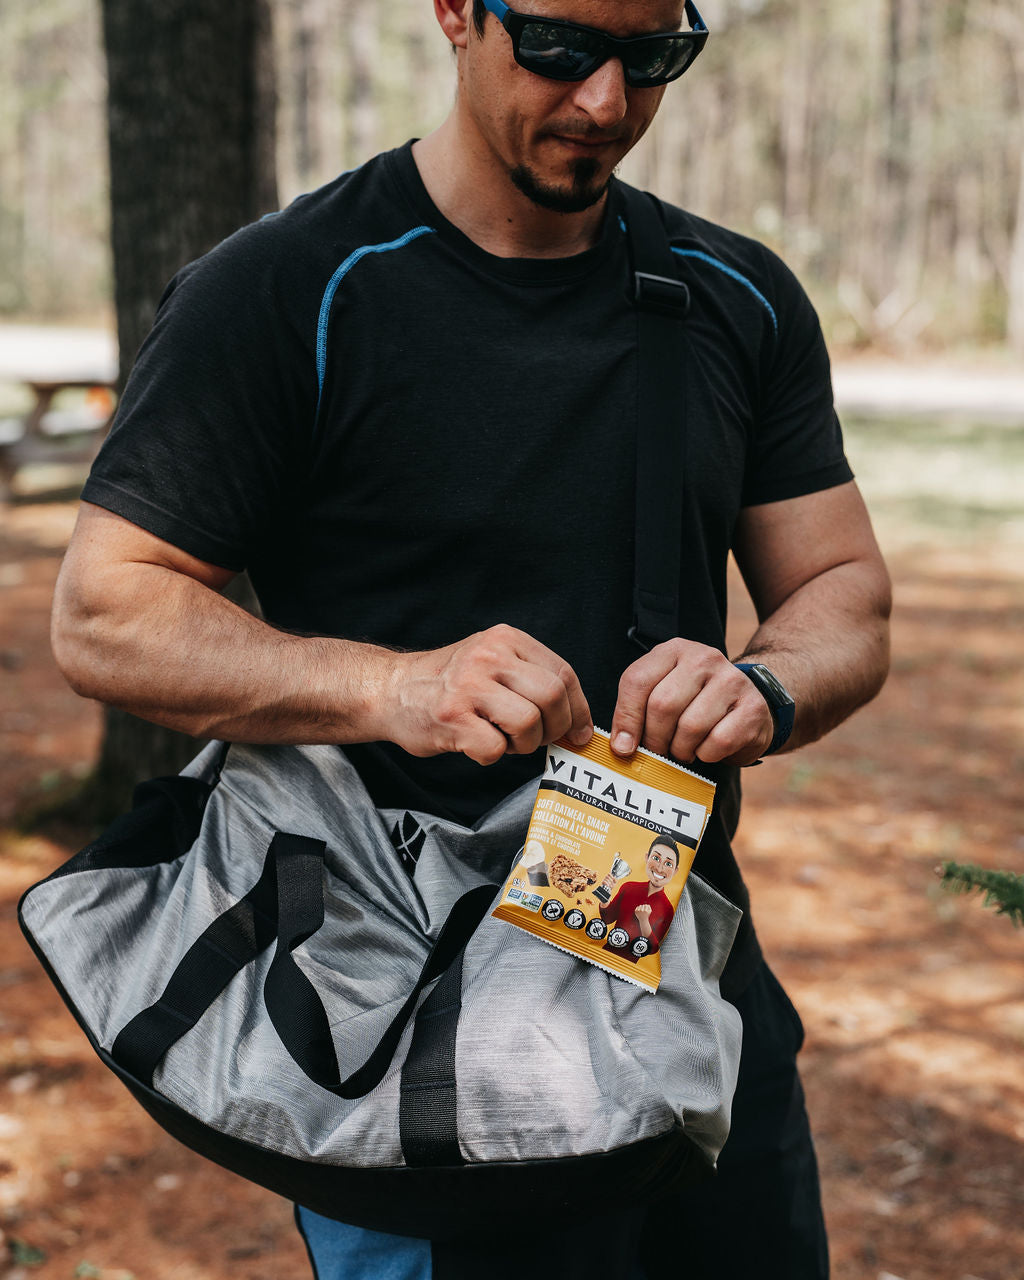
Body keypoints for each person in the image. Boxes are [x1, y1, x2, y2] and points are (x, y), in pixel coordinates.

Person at [50, 0, 892, 1276]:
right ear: (455, 12)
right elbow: (107, 611)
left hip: (676, 953)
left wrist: (763, 684)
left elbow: (841, 587)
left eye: (651, 57)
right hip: (396, 993)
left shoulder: (735, 294)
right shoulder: (284, 290)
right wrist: (395, 686)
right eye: (559, 47)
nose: (605, 101)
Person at [599, 835, 680, 960]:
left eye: (668, 863)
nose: (659, 868)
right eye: (656, 858)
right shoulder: (628, 887)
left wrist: (644, 921)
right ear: (647, 858)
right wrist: (605, 892)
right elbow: (608, 918)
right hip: (604, 954)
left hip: (630, 968)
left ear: (675, 871)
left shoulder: (668, 909)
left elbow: (653, 948)